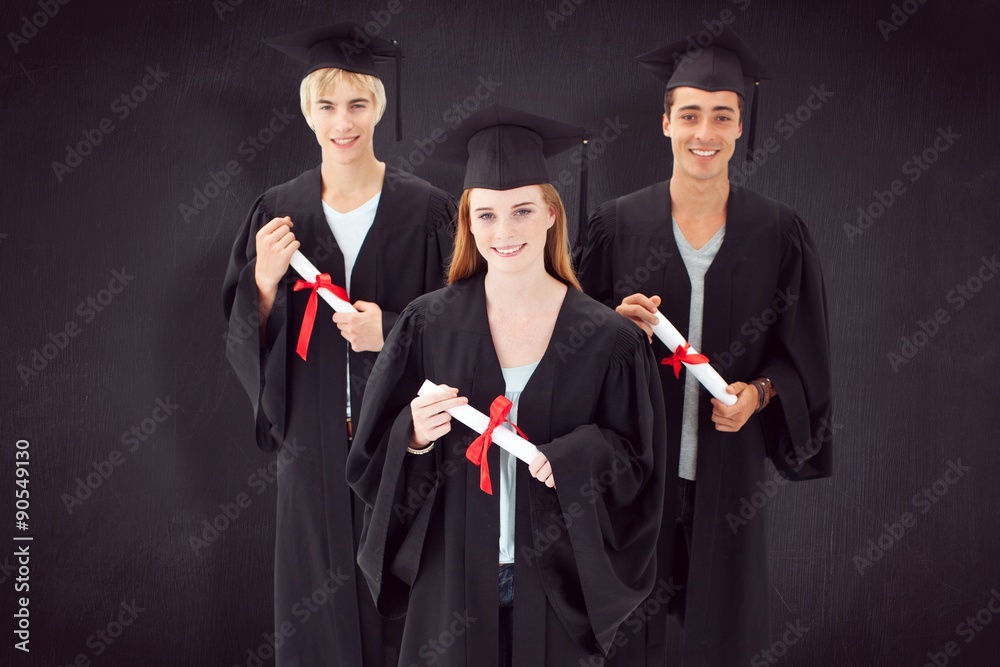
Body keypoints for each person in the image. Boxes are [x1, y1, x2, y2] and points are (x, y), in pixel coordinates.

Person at [346, 105, 669, 667]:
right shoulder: (426, 324)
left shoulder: (607, 338)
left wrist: (574, 458)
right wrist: (414, 433)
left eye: (521, 210)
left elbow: (639, 466)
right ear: (469, 222)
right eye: (488, 215)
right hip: (452, 577)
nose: (505, 231)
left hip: (554, 584)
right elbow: (372, 453)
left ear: (550, 214)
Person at [578, 26, 833, 666]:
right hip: (636, 469)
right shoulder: (616, 224)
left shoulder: (777, 231)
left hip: (730, 471)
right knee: (629, 633)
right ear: (664, 122)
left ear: (741, 126)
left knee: (723, 636)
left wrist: (759, 393)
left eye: (722, 116)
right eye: (689, 114)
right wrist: (613, 324)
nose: (705, 133)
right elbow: (566, 341)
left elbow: (800, 350)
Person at [221, 23, 455, 667]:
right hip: (314, 441)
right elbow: (243, 330)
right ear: (307, 112)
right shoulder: (279, 209)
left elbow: (467, 322)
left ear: (379, 107)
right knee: (316, 604)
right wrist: (264, 281)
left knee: (406, 590)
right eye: (326, 106)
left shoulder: (428, 209)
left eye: (357, 104)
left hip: (404, 440)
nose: (342, 122)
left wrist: (393, 329)